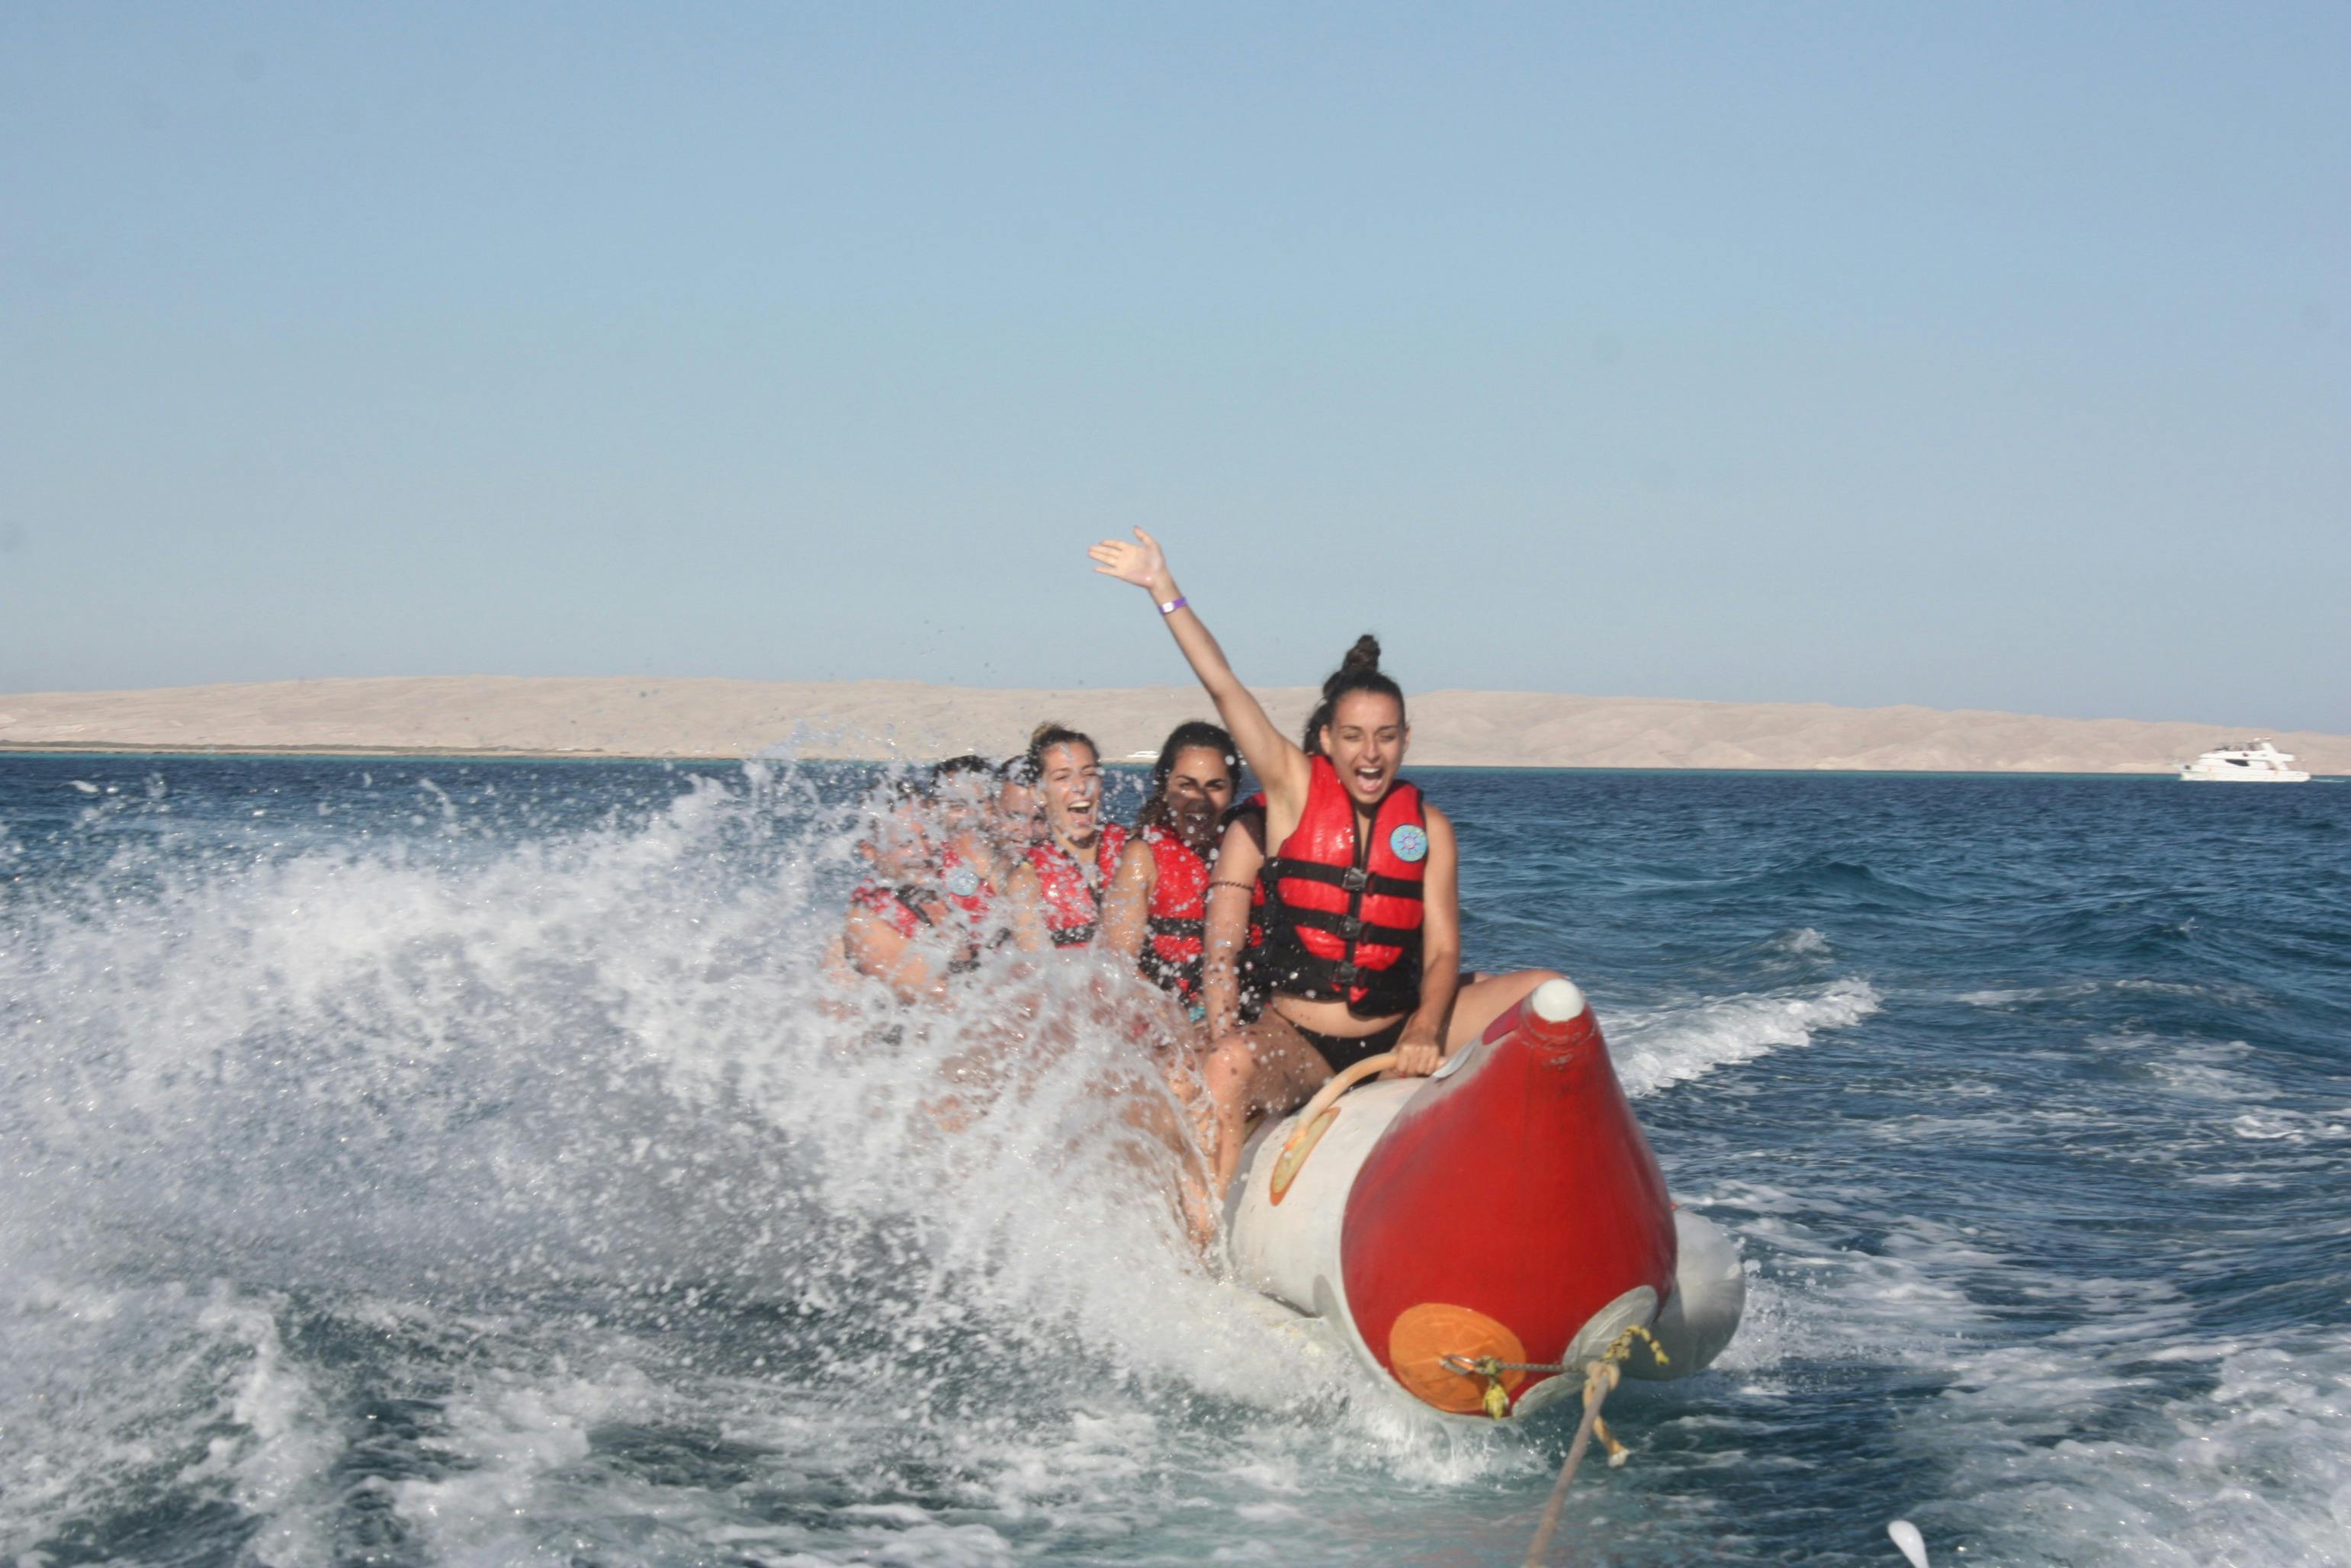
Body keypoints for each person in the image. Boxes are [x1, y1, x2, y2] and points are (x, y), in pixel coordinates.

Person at [1090, 528, 1567, 1197]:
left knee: (1552, 997)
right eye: (1352, 737)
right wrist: (1161, 587)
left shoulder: (1429, 829)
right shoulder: (1289, 794)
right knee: (1226, 1065)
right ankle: (1206, 1240)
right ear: (1325, 740)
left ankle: (1549, 1181)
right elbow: (1223, 685)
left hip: (1400, 1027)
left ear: (1405, 739)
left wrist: (1427, 1028)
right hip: (1305, 1042)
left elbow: (1441, 953)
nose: (1369, 755)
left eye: (1385, 737)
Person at [1100, 721, 1241, 1015]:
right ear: (1164, 787)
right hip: (1162, 1017)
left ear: (1233, 790)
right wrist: (1181, 1016)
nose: (1200, 799)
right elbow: (1117, 966)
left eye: (1215, 786)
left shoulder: (1245, 852)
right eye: (1186, 785)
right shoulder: (1143, 856)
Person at [837, 777, 976, 1004]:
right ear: (870, 851)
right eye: (905, 843)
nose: (923, 852)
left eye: (927, 837)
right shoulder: (865, 923)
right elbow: (939, 998)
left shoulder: (946, 885)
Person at [1004, 723, 1128, 950]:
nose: (1080, 786)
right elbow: (1036, 972)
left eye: (1089, 774)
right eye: (1063, 778)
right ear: (1039, 793)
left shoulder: (1134, 851)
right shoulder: (1027, 881)